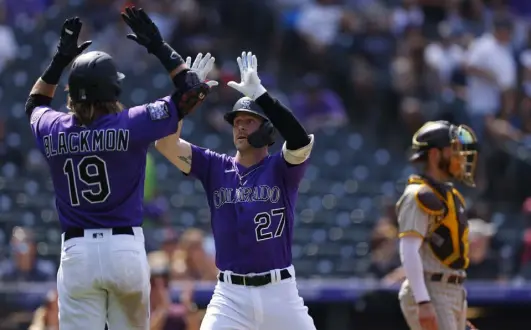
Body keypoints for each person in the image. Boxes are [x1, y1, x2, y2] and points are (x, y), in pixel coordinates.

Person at [25, 7, 212, 330]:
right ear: (113, 89)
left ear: (72, 92)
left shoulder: (54, 127)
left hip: (77, 252)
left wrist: (60, 60)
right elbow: (191, 91)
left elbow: (34, 104)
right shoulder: (131, 123)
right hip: (123, 249)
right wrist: (158, 46)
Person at [155, 51, 316, 329]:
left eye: (249, 120)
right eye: (236, 121)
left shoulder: (281, 168)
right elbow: (165, 144)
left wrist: (261, 95)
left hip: (279, 292)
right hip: (230, 295)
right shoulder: (214, 167)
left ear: (267, 130)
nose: (240, 125)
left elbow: (300, 140)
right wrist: (183, 97)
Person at [396, 121, 479, 330]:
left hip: (452, 291)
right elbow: (408, 249)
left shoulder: (448, 194)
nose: (459, 156)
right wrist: (423, 301)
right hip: (431, 290)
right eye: (453, 149)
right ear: (434, 155)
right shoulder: (418, 195)